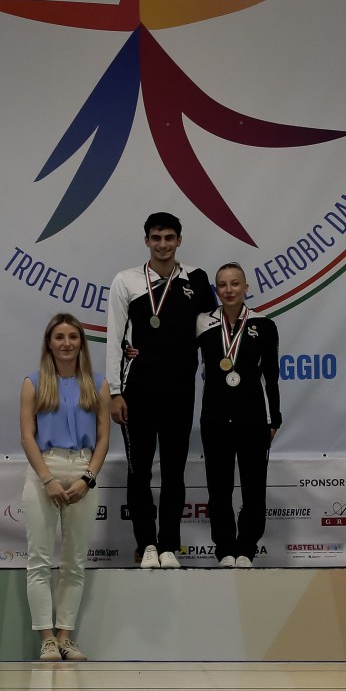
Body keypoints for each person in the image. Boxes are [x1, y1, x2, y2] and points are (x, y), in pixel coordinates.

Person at [106, 212, 215, 569]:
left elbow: (211, 330)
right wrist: (115, 392)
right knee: (139, 471)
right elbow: (115, 338)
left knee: (173, 471)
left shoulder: (196, 280)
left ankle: (168, 544)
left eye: (169, 237)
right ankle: (147, 545)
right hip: (137, 390)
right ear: (146, 241)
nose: (163, 244)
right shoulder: (126, 280)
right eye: (156, 237)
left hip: (180, 391)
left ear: (179, 240)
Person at [19, 313, 111, 661]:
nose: (66, 343)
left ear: (81, 343)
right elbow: (27, 436)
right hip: (45, 468)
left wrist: (88, 479)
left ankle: (65, 637)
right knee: (39, 560)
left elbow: (104, 438)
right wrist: (47, 479)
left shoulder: (98, 384)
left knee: (74, 561)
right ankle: (46, 639)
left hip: (83, 470)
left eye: (73, 337)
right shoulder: (33, 383)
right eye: (59, 337)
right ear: (49, 343)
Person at [196, 263, 280, 567]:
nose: (229, 290)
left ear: (246, 287)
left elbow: (271, 376)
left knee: (253, 489)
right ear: (216, 289)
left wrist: (275, 418)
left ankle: (246, 549)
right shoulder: (203, 323)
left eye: (235, 283)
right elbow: (176, 353)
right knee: (219, 490)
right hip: (214, 420)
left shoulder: (264, 325)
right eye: (222, 284)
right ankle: (225, 550)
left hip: (253, 420)